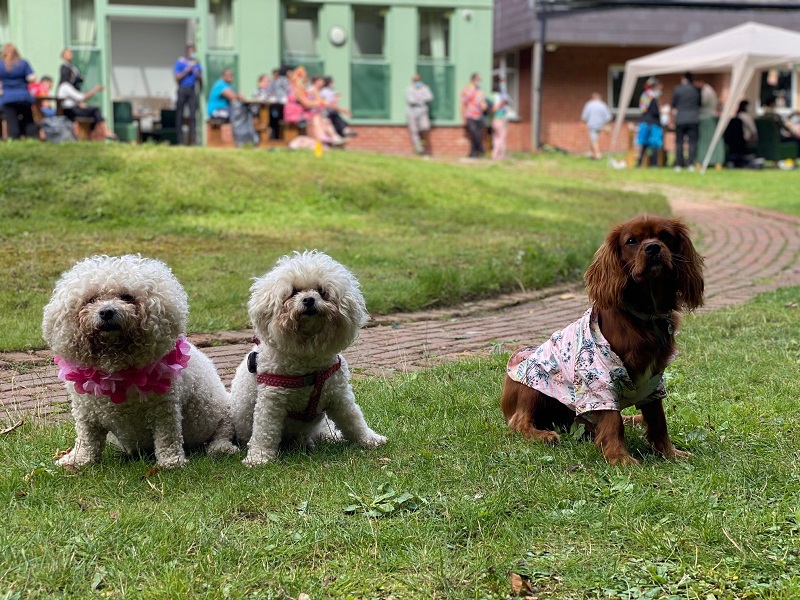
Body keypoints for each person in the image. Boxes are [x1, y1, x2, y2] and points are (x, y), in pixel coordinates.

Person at [57, 48, 114, 140]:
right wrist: (95, 90)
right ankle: (104, 131)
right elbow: (81, 97)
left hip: (73, 106)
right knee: (95, 110)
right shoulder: (66, 86)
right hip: (70, 110)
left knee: (94, 113)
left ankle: (95, 133)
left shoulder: (67, 84)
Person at [283, 66, 343, 146]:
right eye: (306, 77)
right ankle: (322, 137)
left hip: (301, 112)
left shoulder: (300, 89)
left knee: (324, 120)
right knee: (316, 117)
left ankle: (331, 137)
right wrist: (318, 102)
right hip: (295, 114)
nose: (308, 79)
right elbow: (306, 103)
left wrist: (319, 102)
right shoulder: (297, 89)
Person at [0, 43, 37, 139]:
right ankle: (32, 138)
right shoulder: (23, 63)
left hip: (7, 98)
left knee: (12, 122)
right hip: (23, 96)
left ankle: (15, 138)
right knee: (28, 119)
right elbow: (31, 78)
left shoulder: (1, 64)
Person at [671, 72, 701, 171]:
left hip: (680, 119)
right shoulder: (696, 90)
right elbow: (699, 103)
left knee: (679, 142)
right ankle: (690, 163)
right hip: (693, 119)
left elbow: (673, 104)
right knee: (692, 142)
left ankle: (679, 164)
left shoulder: (678, 89)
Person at [173, 44, 202, 145]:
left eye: (194, 51)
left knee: (193, 116)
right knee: (179, 115)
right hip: (182, 90)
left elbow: (201, 79)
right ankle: (180, 141)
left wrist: (196, 72)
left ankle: (193, 140)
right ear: (187, 52)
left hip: (192, 90)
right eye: (191, 51)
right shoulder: (180, 62)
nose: (193, 54)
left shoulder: (196, 63)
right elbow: (177, 78)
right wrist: (186, 71)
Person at [637, 77, 663, 167]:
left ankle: (640, 163)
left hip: (644, 122)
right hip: (653, 123)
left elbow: (642, 110)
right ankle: (653, 164)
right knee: (654, 144)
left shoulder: (644, 96)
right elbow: (655, 112)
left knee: (644, 145)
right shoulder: (653, 98)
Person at [405, 73, 433, 156]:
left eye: (418, 80)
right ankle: (419, 150)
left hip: (423, 111)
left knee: (425, 127)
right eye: (415, 80)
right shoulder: (409, 89)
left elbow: (430, 97)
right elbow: (411, 100)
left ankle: (421, 137)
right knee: (414, 131)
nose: (417, 82)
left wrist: (419, 99)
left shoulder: (425, 88)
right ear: (413, 81)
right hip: (412, 112)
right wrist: (421, 99)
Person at [461, 72, 487, 158]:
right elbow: (463, 104)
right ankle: (481, 149)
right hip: (470, 116)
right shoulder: (467, 91)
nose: (480, 82)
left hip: (479, 116)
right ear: (474, 80)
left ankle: (473, 153)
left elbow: (482, 102)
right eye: (478, 80)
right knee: (475, 133)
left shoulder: (480, 91)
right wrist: (463, 117)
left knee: (476, 135)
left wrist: (484, 105)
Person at [580, 92, 612, 160]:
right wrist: (607, 126)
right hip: (601, 126)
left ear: (592, 98)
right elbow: (608, 117)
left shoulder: (589, 105)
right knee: (594, 139)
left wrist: (583, 123)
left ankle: (598, 155)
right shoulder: (603, 105)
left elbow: (584, 117)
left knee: (594, 140)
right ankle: (592, 154)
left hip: (592, 125)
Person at [266, 66, 291, 140]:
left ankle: (274, 136)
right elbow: (288, 90)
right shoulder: (284, 80)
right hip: (282, 103)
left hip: (275, 104)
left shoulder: (275, 80)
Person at [491, 82, 510, 160]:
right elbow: (494, 108)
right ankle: (496, 155)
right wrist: (502, 102)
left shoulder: (493, 96)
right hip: (499, 120)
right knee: (501, 138)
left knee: (496, 138)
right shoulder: (497, 97)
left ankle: (497, 155)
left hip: (494, 121)